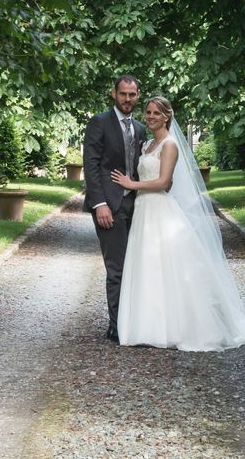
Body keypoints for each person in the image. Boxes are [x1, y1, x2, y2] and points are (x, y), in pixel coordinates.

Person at [111, 96, 245, 351]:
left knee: (169, 266)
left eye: (157, 113)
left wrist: (131, 184)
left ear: (167, 116)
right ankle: (147, 327)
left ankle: (178, 327)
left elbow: (164, 182)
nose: (151, 116)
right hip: (144, 210)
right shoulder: (147, 145)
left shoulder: (170, 145)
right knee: (148, 265)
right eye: (148, 112)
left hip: (161, 210)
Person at [83, 75, 147, 342]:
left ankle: (138, 322)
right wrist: (100, 204)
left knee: (140, 266)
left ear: (138, 95)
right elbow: (92, 165)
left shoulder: (142, 128)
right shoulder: (99, 123)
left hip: (139, 205)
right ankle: (117, 326)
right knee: (117, 268)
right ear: (114, 94)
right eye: (123, 94)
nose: (128, 99)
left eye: (132, 95)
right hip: (109, 206)